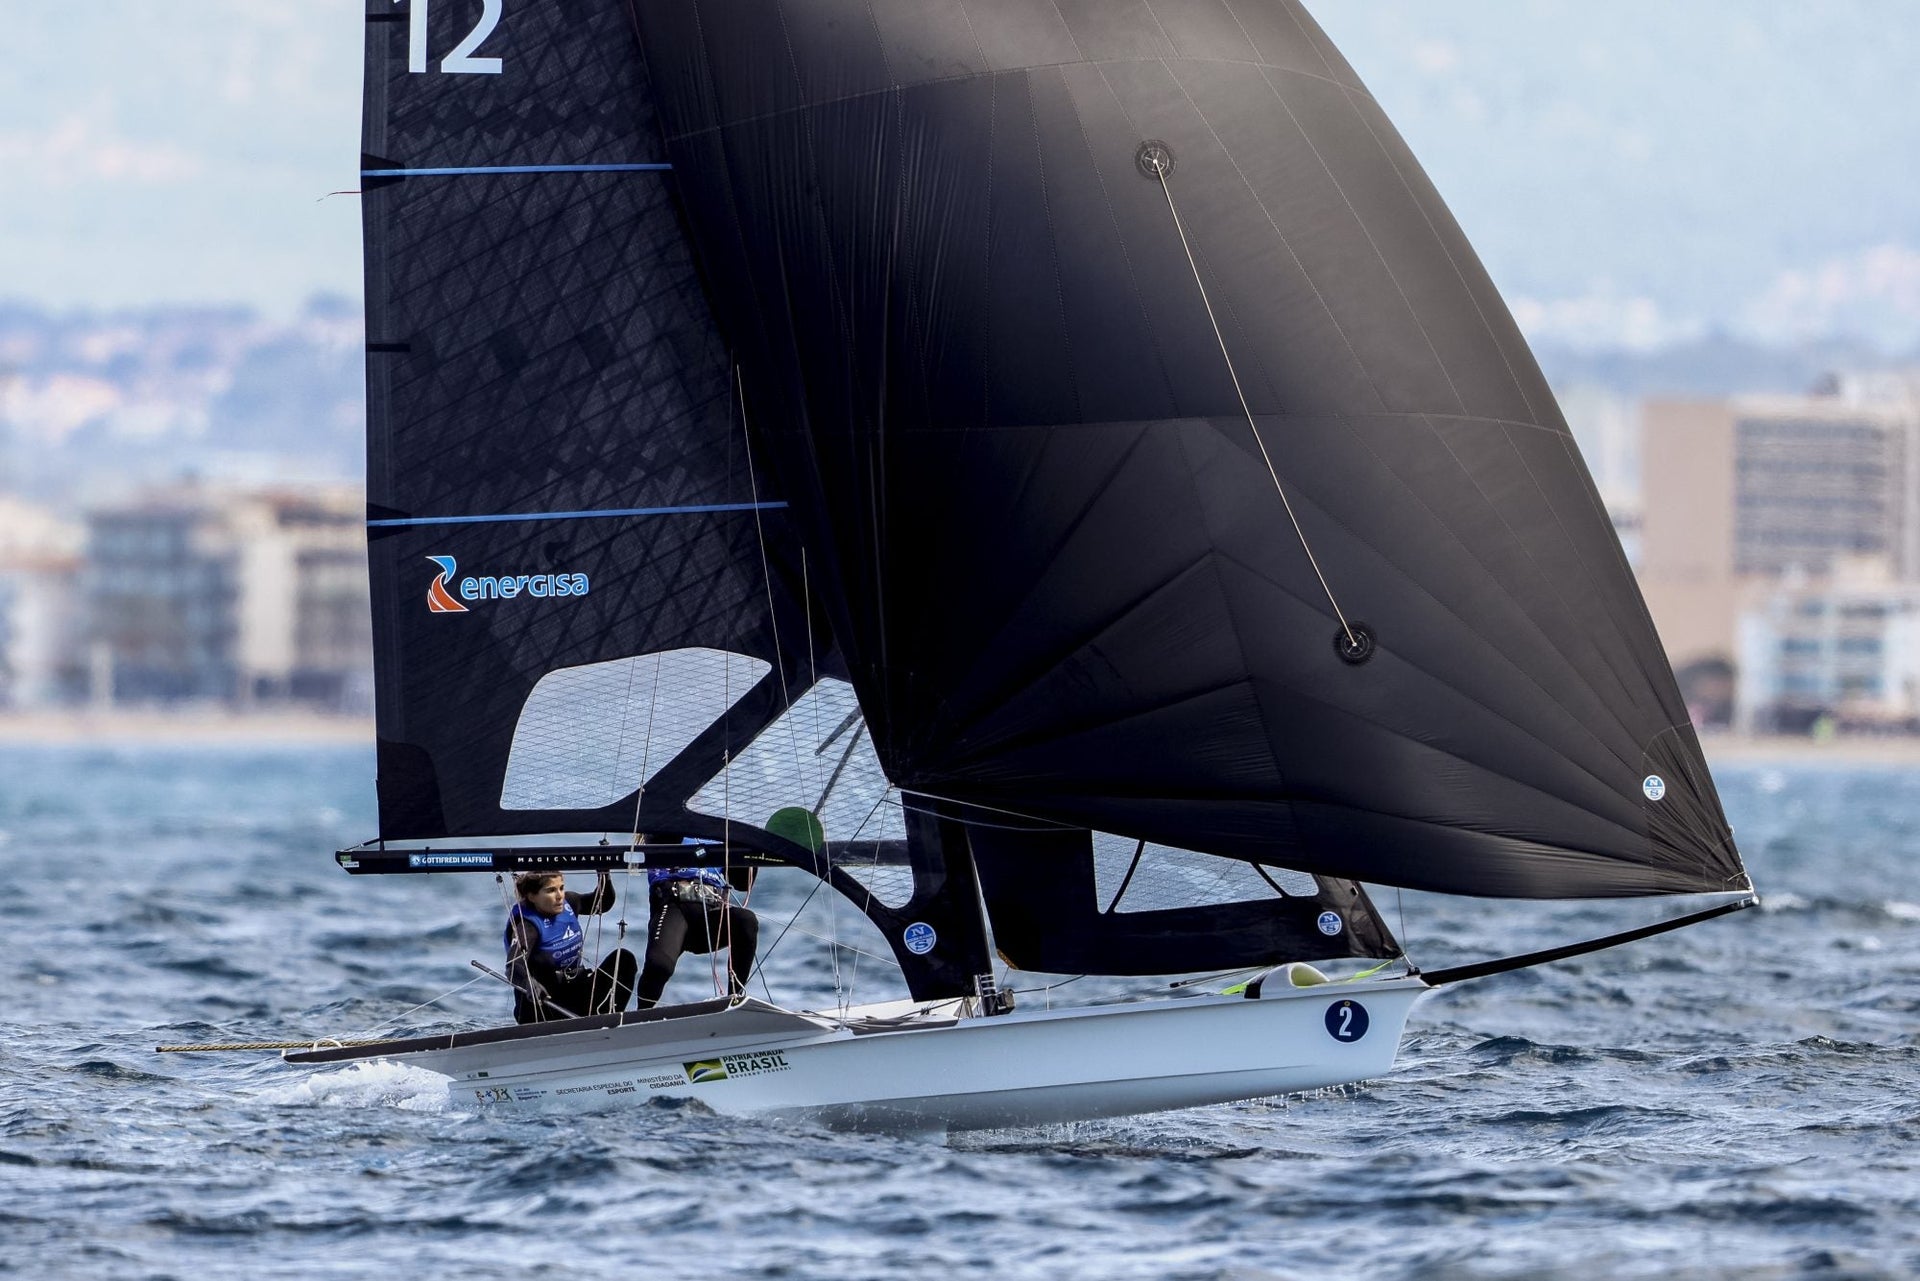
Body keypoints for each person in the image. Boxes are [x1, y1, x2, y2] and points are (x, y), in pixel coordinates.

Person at [635, 839, 759, 1010]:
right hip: (673, 908)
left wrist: (747, 840)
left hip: (710, 913)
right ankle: (641, 1015)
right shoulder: (663, 833)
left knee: (746, 921)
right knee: (659, 966)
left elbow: (742, 883)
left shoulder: (720, 833)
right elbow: (659, 834)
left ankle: (734, 1001)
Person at [503, 869, 637, 1024]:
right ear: (532, 896)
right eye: (551, 890)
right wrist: (528, 982)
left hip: (576, 992)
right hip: (545, 1004)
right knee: (538, 987)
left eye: (561, 888)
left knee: (624, 959)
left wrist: (604, 874)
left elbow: (602, 902)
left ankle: (610, 1022)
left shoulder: (570, 903)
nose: (559, 896)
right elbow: (513, 965)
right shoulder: (527, 926)